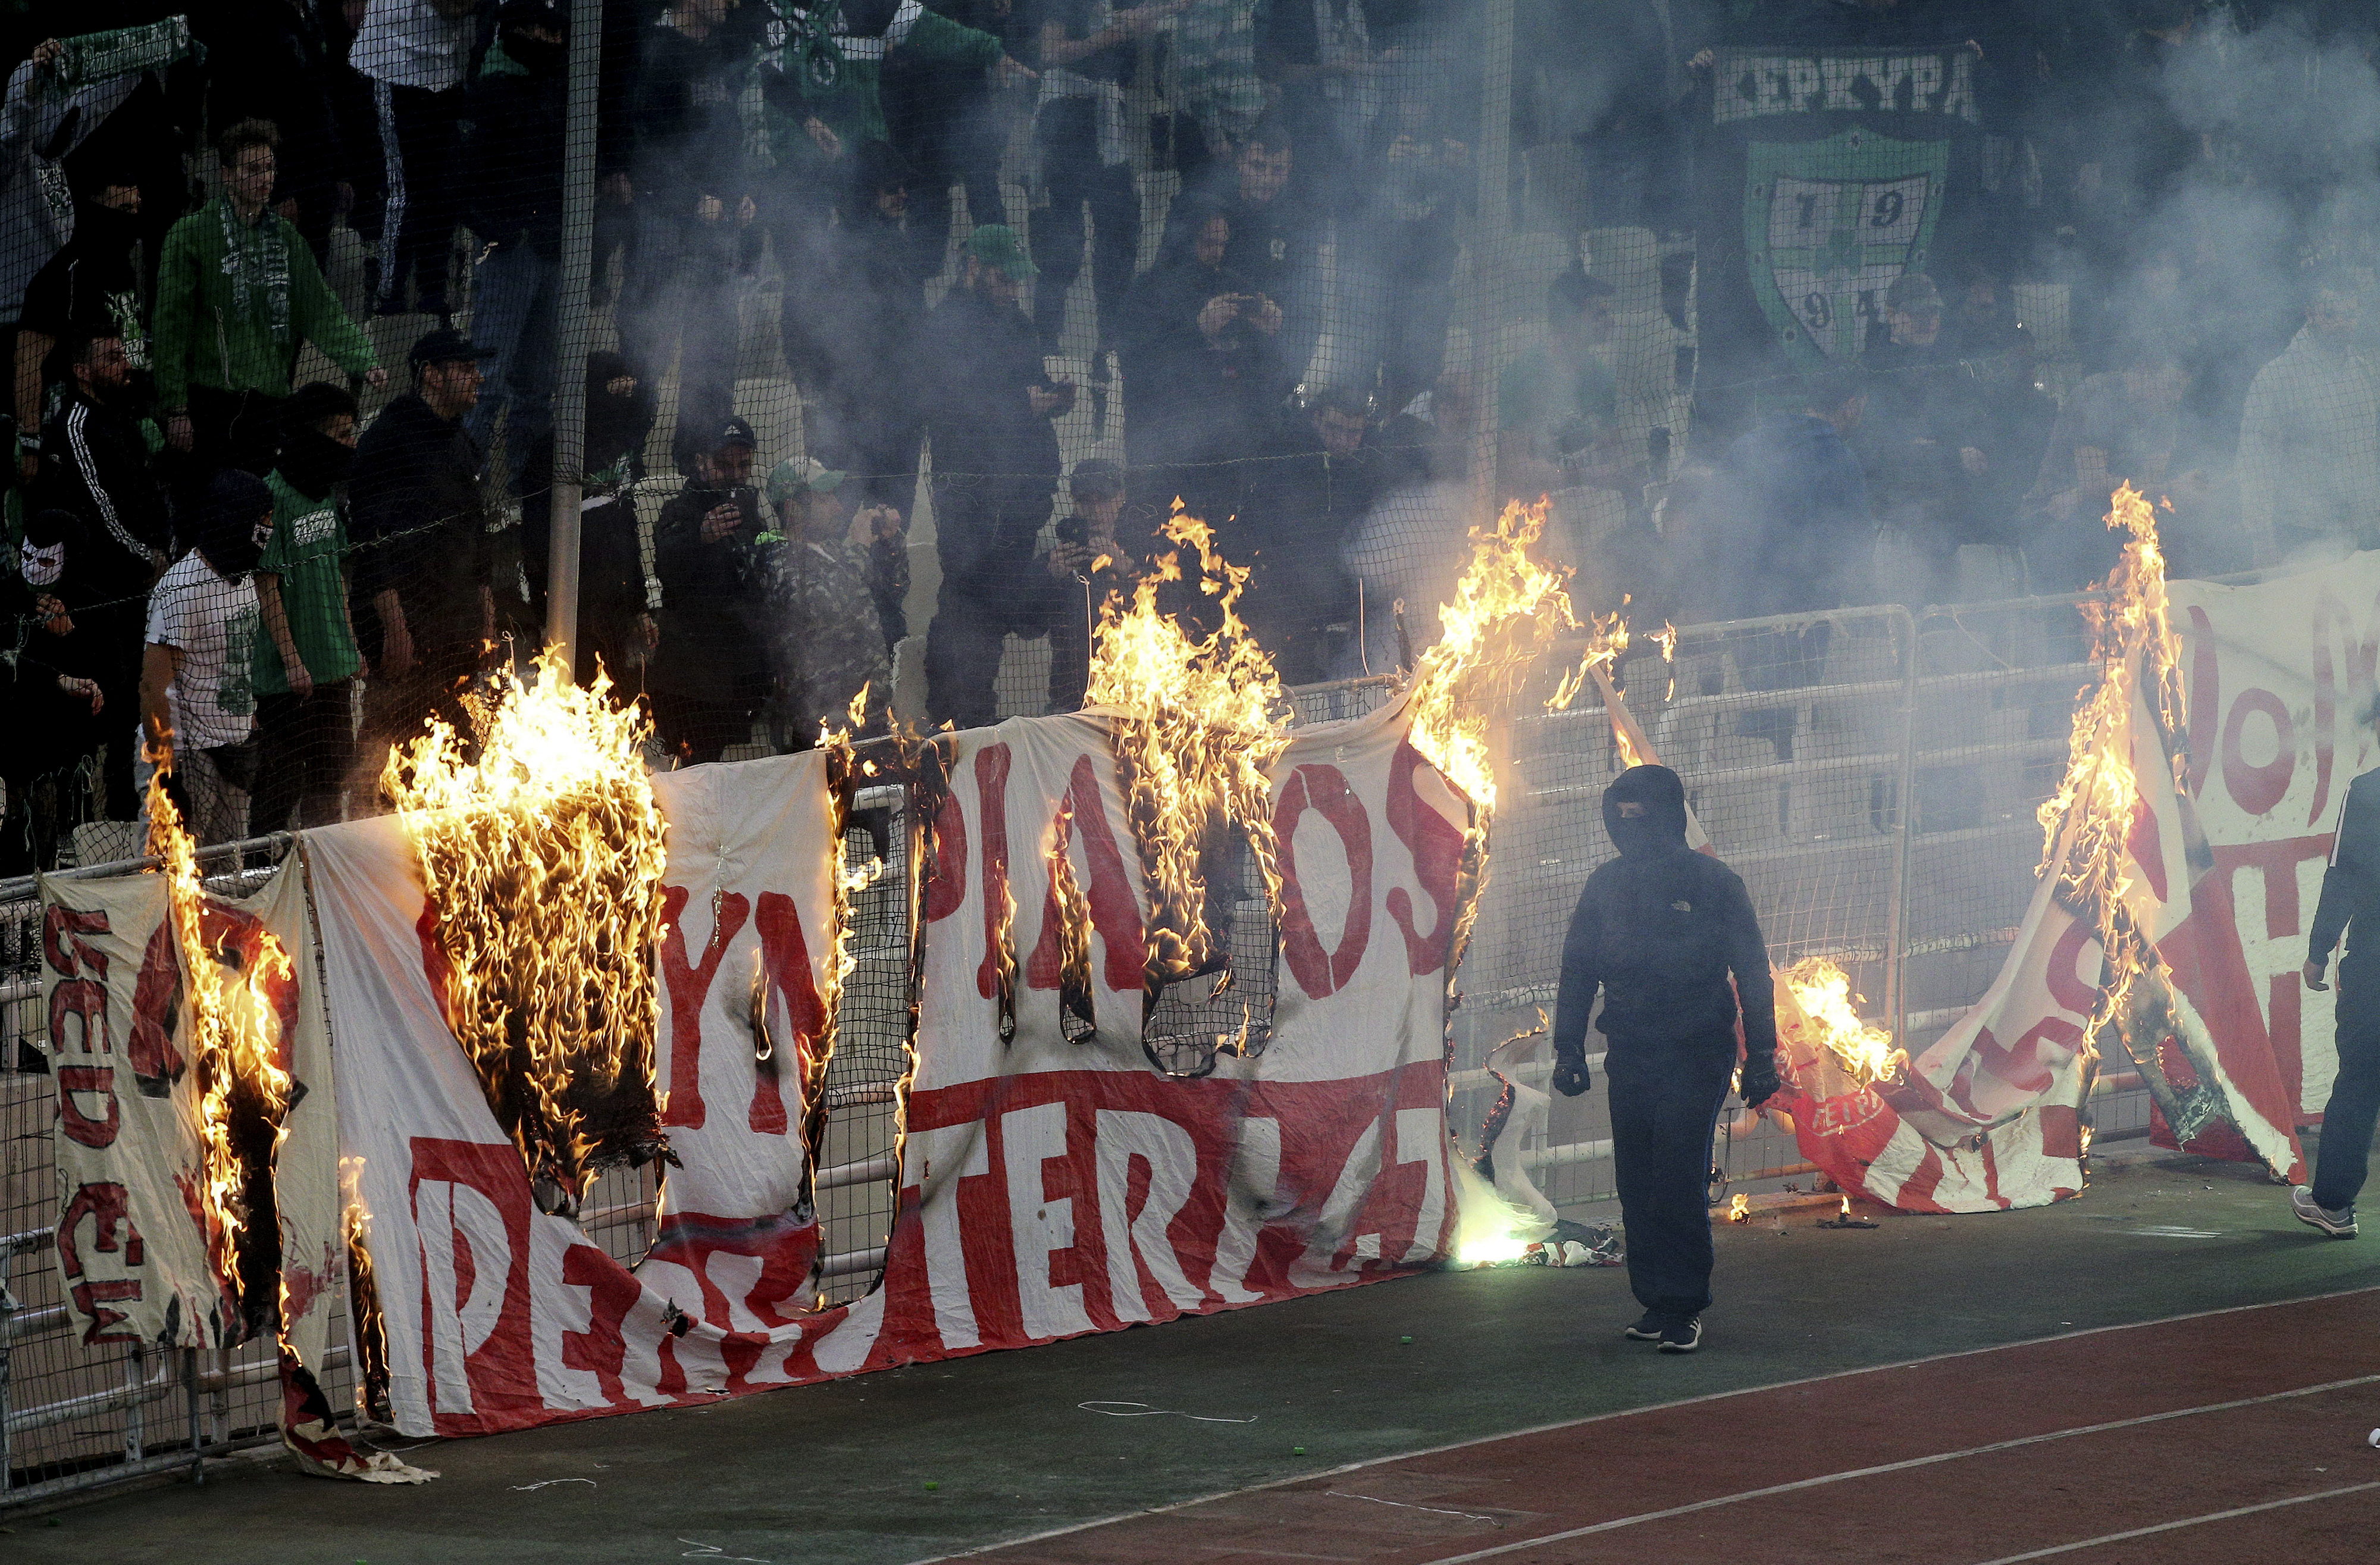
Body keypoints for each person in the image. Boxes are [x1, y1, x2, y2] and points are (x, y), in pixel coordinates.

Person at [1549, 763, 1782, 1353]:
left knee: (1676, 1174)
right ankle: (1654, 1298)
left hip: (1697, 1047)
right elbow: (1578, 969)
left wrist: (1763, 1054)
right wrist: (1567, 1045)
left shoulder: (1715, 883)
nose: (1629, 825)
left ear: (1668, 813)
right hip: (1631, 1047)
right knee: (1637, 1179)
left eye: (1639, 813)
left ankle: (1683, 1304)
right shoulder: (1604, 885)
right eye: (1620, 814)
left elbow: (1753, 973)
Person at [153, 119, 386, 483]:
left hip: (267, 403)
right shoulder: (190, 236)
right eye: (253, 170)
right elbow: (170, 327)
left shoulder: (287, 239)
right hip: (209, 403)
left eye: (270, 168)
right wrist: (177, 409)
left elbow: (320, 308)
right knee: (204, 509)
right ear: (227, 175)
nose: (265, 178)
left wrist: (362, 359)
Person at [920, 224, 1070, 729]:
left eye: (1015, 281)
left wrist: (1056, 396)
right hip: (969, 493)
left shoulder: (1019, 324)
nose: (1011, 290)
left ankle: (964, 709)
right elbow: (949, 405)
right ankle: (960, 714)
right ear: (973, 269)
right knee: (969, 593)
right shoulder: (946, 326)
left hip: (1021, 491)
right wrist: (1017, 404)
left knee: (993, 596)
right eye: (1003, 279)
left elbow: (1028, 385)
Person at [347, 328, 496, 785]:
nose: (478, 377)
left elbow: (478, 533)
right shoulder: (388, 439)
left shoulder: (461, 439)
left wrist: (485, 615)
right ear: (431, 375)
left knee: (456, 755)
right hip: (406, 631)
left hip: (455, 626)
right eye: (465, 369)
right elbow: (371, 544)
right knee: (393, 748)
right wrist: (395, 627)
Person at [33, 329, 170, 821]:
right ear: (82, 370)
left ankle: (136, 809)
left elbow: (151, 493)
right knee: (105, 703)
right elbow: (101, 507)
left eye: (124, 354)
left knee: (140, 699)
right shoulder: (75, 424)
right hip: (101, 595)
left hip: (140, 587)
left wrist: (164, 548)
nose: (125, 364)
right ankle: (90, 819)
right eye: (111, 357)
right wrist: (146, 558)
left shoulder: (123, 418)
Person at [625, 0, 753, 475]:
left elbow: (731, 138)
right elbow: (644, 145)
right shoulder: (656, 53)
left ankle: (699, 461)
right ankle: (625, 460)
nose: (732, 4)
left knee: (715, 351)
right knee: (647, 347)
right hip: (665, 227)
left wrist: (742, 194)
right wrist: (689, 198)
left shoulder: (721, 53)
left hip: (718, 233)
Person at [1025, 0, 1183, 356]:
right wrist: (1113, 34)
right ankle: (1046, 340)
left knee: (1121, 230)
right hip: (1065, 121)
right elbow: (1051, 52)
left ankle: (1110, 340)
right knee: (1063, 240)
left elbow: (1128, 60)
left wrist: (1139, 26)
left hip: (1107, 123)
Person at [461, 0, 574, 496]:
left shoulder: (562, 85)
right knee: (485, 381)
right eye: (539, 31)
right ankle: (465, 488)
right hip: (510, 256)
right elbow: (460, 179)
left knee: (537, 388)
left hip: (554, 250)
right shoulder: (491, 86)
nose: (550, 41)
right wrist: (498, 231)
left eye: (555, 32)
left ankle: (524, 492)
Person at [1120, 199, 1285, 525]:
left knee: (1218, 550)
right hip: (1163, 448)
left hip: (1224, 449)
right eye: (1208, 243)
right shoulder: (1147, 291)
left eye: (1223, 244)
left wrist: (1269, 332)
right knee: (1157, 546)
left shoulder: (1233, 284)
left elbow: (1261, 368)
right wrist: (1199, 331)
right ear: (1183, 238)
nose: (1217, 252)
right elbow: (1139, 366)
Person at [249, 384, 364, 835]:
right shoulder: (272, 497)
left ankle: (323, 880)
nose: (350, 443)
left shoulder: (325, 495)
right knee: (280, 785)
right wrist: (293, 663)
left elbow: (336, 573)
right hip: (288, 681)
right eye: (341, 433)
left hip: (333, 667)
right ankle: (262, 877)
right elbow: (266, 585)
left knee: (331, 780)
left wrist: (351, 645)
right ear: (311, 436)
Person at [516, 352, 660, 690]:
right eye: (617, 392)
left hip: (617, 609)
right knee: (575, 700)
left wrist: (639, 606)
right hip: (571, 611)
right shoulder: (552, 452)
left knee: (622, 704)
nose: (627, 402)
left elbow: (627, 529)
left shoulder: (619, 444)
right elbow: (536, 543)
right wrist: (544, 614)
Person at [141, 471, 270, 849]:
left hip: (237, 748)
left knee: (228, 875)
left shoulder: (244, 576)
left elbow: (234, 657)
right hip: (189, 756)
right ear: (235, 521)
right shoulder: (181, 589)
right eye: (263, 522)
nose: (269, 531)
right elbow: (151, 687)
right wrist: (166, 774)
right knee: (172, 874)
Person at [1220, 387, 1377, 684]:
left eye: (1354, 433)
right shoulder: (1286, 454)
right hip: (1278, 594)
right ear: (1316, 419)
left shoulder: (1363, 469)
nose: (1344, 440)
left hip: (1332, 594)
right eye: (1335, 428)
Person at [2019, 335, 2194, 592]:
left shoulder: (2165, 416)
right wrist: (2170, 486)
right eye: (2171, 386)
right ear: (2145, 372)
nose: (2176, 397)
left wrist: (2172, 489)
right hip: (2055, 515)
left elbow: (2150, 484)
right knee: (2085, 535)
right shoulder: (2099, 397)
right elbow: (2093, 484)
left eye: (2181, 389)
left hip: (2112, 517)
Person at [2299, 696, 2380, 1242]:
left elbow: (2342, 877)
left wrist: (2317, 950)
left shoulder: (2368, 792)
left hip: (2375, 966)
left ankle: (2332, 1205)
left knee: (2359, 1083)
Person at [647, 417, 772, 764]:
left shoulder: (748, 509)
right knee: (696, 770)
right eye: (724, 464)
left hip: (737, 671)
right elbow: (667, 570)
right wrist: (700, 537)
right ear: (702, 462)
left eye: (743, 464)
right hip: (692, 678)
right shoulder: (681, 511)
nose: (735, 473)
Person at [760, 459, 904, 748]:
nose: (838, 507)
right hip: (823, 723)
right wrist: (860, 546)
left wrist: (891, 542)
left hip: (872, 710)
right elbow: (828, 605)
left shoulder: (837, 551)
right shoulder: (774, 559)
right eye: (825, 499)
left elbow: (895, 589)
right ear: (793, 508)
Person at [2237, 276, 2380, 566]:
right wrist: (2262, 540)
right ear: (2311, 313)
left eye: (2350, 314)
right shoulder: (2276, 379)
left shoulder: (2368, 371)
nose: (2342, 323)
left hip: (2370, 532)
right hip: (2307, 536)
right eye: (2330, 314)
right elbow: (2255, 463)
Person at [14, 168, 146, 478]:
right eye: (123, 210)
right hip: (72, 434)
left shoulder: (125, 269)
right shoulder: (63, 275)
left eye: (136, 210)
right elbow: (28, 364)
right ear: (97, 208)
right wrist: (31, 445)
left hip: (123, 426)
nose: (131, 219)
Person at [350, 0, 475, 317]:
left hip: (442, 78)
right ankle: (388, 293)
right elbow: (454, 7)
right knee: (403, 193)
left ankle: (432, 290)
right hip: (392, 72)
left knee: (441, 195)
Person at [1, 511, 108, 875]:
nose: (33, 569)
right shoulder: (5, 596)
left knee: (69, 862)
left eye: (46, 560)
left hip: (71, 761)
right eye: (28, 557)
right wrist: (54, 679)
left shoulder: (92, 601)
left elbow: (112, 675)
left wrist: (70, 637)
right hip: (16, 759)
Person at [1038, 456, 1144, 712]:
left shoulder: (1147, 546)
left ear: (1121, 498)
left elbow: (1178, 613)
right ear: (1075, 503)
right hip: (1070, 700)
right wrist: (1049, 576)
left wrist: (1126, 568)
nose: (1095, 511)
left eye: (1103, 499)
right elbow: (1026, 626)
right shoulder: (1063, 553)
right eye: (1086, 501)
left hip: (1133, 696)